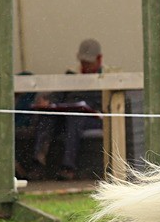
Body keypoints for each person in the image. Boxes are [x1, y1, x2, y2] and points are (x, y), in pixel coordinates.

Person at [23, 38, 103, 180]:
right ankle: (38, 164)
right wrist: (49, 101)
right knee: (47, 117)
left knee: (74, 118)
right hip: (69, 115)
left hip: (93, 118)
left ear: (99, 59)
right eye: (83, 62)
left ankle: (68, 167)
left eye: (88, 63)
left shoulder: (107, 75)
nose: (85, 66)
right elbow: (58, 95)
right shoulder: (71, 74)